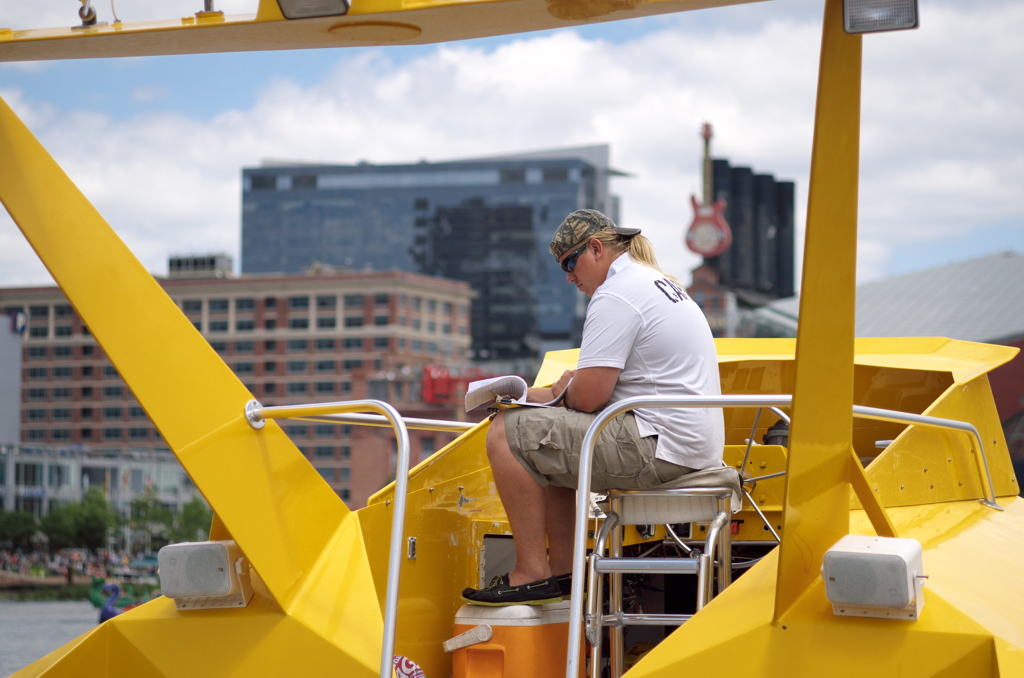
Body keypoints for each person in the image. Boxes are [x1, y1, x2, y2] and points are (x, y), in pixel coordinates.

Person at [461, 209, 724, 606]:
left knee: (505, 430)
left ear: (596, 249)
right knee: (550, 444)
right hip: (687, 446)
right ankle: (565, 574)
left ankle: (531, 572)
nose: (569, 277)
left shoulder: (616, 293)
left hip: (659, 448)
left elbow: (588, 399)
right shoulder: (656, 283)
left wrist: (548, 395)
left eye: (570, 263)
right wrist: (554, 393)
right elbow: (589, 395)